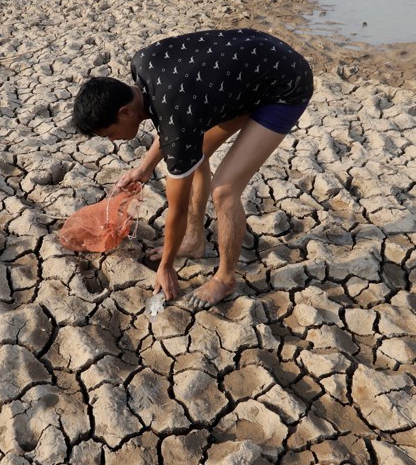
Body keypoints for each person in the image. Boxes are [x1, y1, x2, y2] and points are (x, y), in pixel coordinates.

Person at [72, 28, 314, 308]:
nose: (113, 140)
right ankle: (195, 240)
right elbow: (175, 121)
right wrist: (144, 168)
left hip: (284, 85)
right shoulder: (142, 62)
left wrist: (166, 266)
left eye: (109, 133)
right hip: (257, 57)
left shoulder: (175, 117)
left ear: (125, 112)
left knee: (224, 190)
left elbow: (176, 208)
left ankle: (225, 279)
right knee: (194, 151)